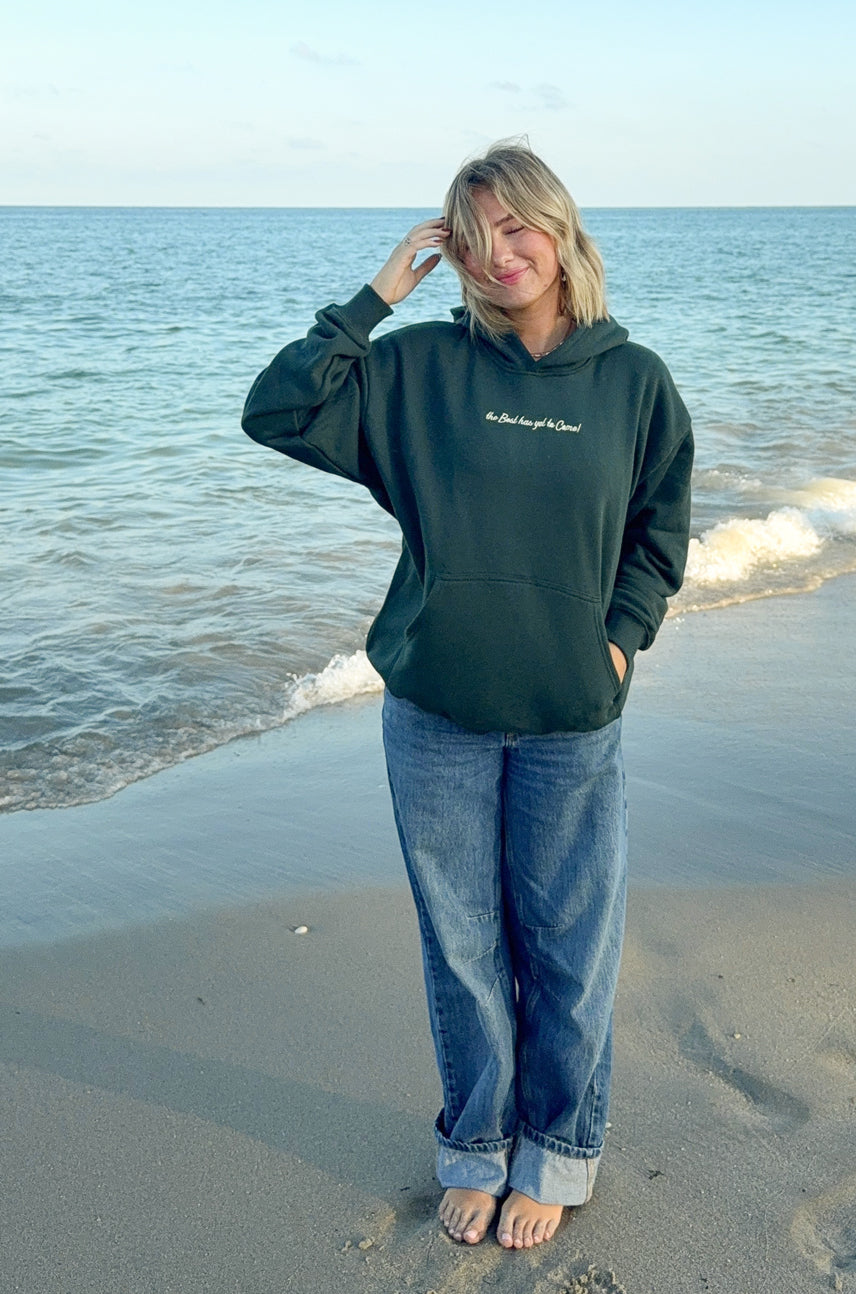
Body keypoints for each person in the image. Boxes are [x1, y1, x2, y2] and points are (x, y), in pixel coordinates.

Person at [242, 141, 693, 1251]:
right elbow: (278, 412)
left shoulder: (631, 380)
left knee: (565, 941)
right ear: (451, 252)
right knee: (461, 946)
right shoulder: (419, 372)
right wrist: (374, 298)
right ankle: (475, 1147)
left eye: (520, 228)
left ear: (563, 231)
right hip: (436, 709)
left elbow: (660, 529)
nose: (501, 255)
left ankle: (559, 1149)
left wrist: (620, 643)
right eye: (475, 236)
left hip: (570, 715)